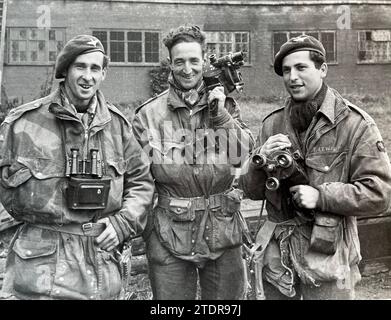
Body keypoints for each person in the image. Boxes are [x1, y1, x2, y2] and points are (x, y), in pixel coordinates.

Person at [0, 35, 155, 300]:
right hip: (39, 269)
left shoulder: (118, 127)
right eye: (80, 67)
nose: (88, 76)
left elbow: (141, 182)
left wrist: (121, 224)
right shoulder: (22, 124)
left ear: (104, 73)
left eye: (95, 68)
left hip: (100, 263)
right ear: (66, 71)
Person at [240, 35, 391, 300]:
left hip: (329, 262)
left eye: (301, 67)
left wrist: (322, 196)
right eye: (286, 71)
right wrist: (259, 161)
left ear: (322, 69)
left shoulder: (355, 124)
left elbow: (380, 194)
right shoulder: (272, 124)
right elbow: (252, 192)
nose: (292, 77)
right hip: (279, 263)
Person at [132, 25, 254, 300]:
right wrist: (142, 229)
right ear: (170, 65)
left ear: (204, 61)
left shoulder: (226, 107)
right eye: (179, 62)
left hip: (223, 230)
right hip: (168, 233)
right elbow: (137, 181)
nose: (187, 69)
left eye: (193, 61)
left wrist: (221, 116)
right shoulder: (148, 116)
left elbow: (243, 155)